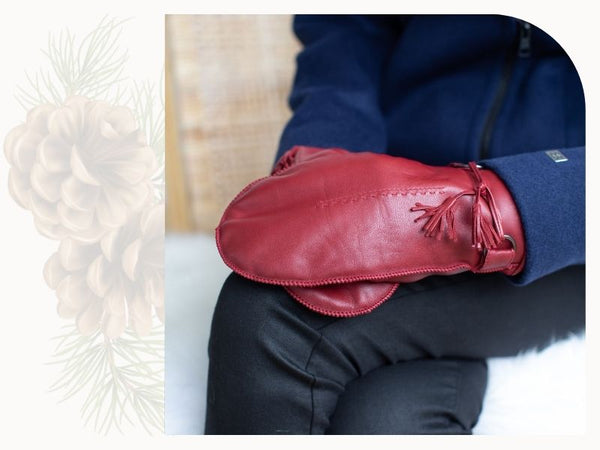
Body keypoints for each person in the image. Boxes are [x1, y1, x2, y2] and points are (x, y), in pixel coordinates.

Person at [204, 14, 585, 434]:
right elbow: (347, 26)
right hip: (393, 181)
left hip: (565, 241)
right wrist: (331, 161)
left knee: (273, 318)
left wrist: (506, 207)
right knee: (386, 420)